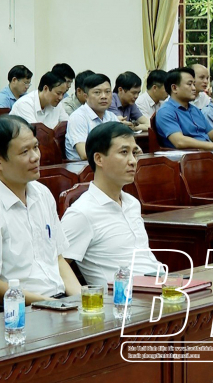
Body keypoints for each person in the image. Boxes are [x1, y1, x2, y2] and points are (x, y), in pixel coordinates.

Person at [0, 116, 82, 305]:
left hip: (58, 302)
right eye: (24, 152)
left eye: (35, 147)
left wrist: (80, 300)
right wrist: (48, 303)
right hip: (21, 308)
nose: (35, 157)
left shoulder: (42, 193)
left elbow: (58, 258)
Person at [61, 122, 162, 286]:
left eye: (134, 153)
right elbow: (57, 264)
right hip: (124, 296)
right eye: (124, 152)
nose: (133, 161)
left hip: (159, 285)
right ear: (99, 159)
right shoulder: (82, 213)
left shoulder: (132, 203)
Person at [155, 67, 213, 151]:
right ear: (174, 88)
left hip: (208, 153)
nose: (194, 88)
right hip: (187, 156)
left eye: (194, 84)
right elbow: (179, 141)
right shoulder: (165, 111)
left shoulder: (195, 110)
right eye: (189, 84)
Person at [65, 73, 120, 160]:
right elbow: (84, 154)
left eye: (107, 92)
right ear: (86, 96)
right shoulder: (78, 117)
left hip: (107, 163)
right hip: (83, 166)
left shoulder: (111, 116)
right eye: (97, 92)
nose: (104, 96)